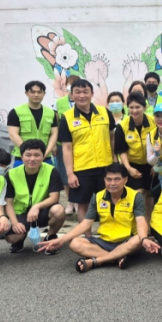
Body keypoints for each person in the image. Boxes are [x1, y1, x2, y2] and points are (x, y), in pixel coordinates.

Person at [38, 163, 159, 272]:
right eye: (109, 179)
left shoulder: (135, 196)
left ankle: (97, 261)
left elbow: (141, 221)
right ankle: (117, 257)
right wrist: (61, 240)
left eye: (117, 179)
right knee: (74, 243)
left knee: (138, 239)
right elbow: (85, 224)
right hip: (104, 240)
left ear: (126, 180)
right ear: (104, 180)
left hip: (127, 240)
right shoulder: (97, 197)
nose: (112, 183)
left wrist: (144, 238)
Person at [58, 79, 116, 233]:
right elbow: (67, 148)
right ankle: (88, 237)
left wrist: (115, 163)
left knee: (108, 202)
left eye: (85, 92)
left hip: (105, 167)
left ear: (92, 94)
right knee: (83, 204)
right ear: (72, 95)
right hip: (82, 169)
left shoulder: (105, 113)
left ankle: (109, 234)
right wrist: (70, 174)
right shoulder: (67, 118)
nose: (81, 95)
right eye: (77, 92)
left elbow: (112, 138)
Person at [4, 140, 66, 254]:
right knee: (12, 237)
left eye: (37, 155)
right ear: (22, 156)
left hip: (42, 212)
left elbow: (54, 198)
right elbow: (8, 202)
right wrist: (14, 223)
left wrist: (37, 206)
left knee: (59, 210)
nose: (32, 159)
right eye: (28, 155)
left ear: (43, 156)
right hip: (21, 213)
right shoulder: (11, 174)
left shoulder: (51, 171)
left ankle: (50, 236)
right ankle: (19, 239)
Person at [115, 92, 155, 224]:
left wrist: (156, 165)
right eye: (131, 107)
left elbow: (161, 142)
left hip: (152, 163)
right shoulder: (123, 125)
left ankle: (148, 224)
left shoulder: (154, 121)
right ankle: (136, 225)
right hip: (132, 164)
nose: (134, 110)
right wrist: (128, 168)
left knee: (149, 195)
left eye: (138, 107)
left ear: (145, 107)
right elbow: (122, 151)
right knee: (137, 195)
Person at [7, 80, 58, 167]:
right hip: (22, 158)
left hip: (45, 158)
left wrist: (45, 153)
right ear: (26, 93)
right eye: (32, 92)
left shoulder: (51, 113)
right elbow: (13, 134)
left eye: (39, 92)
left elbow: (54, 134)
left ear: (44, 94)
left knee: (47, 180)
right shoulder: (16, 112)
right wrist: (28, 153)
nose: (36, 95)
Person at [55, 75, 80, 215]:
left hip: (79, 144)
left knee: (78, 172)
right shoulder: (59, 103)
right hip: (63, 143)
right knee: (65, 174)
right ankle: (70, 201)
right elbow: (55, 124)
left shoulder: (84, 101)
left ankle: (77, 201)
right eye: (70, 85)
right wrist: (53, 145)